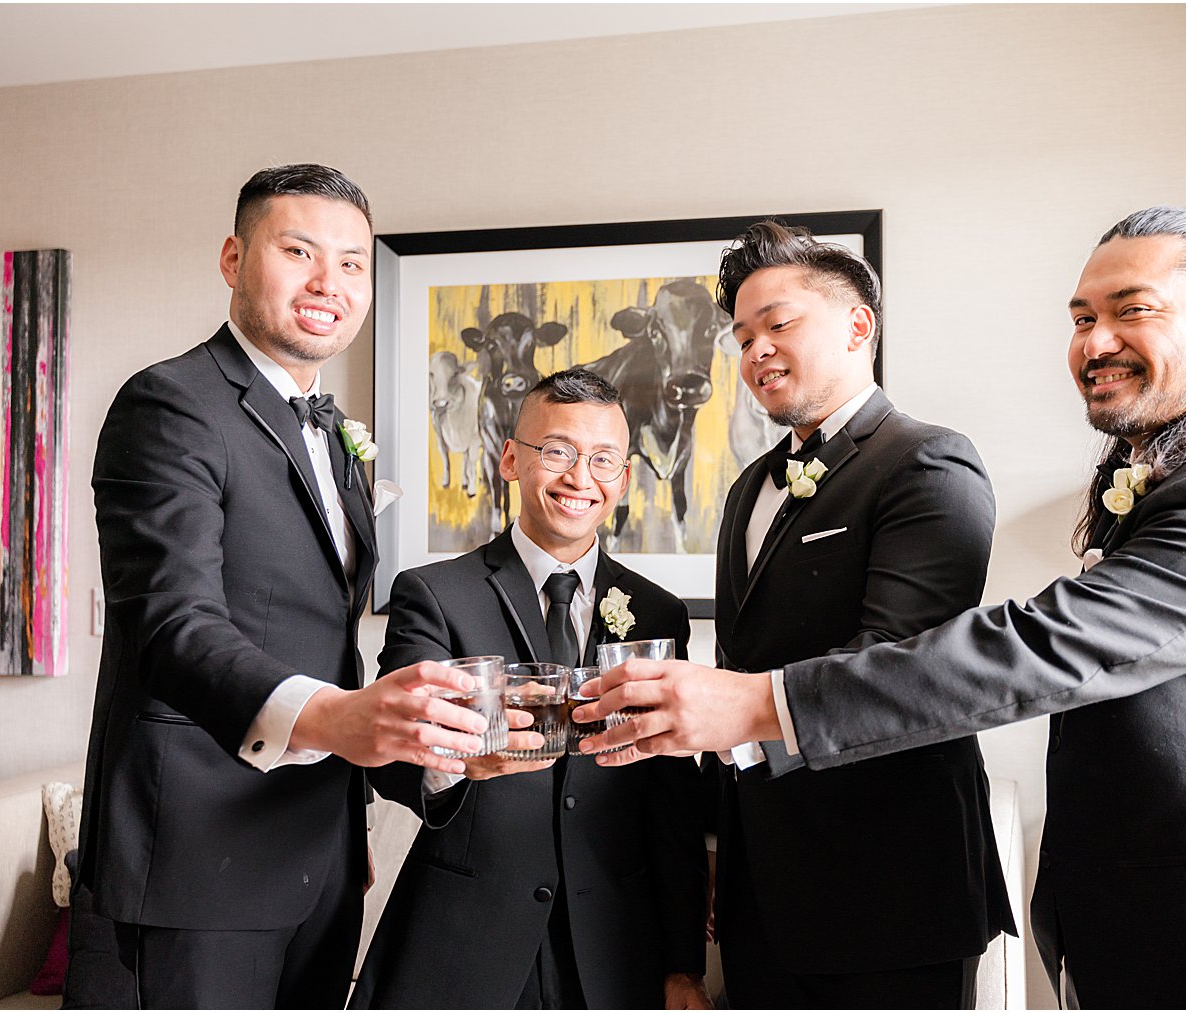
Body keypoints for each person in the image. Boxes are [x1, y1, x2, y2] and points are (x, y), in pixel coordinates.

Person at [580, 206, 1186, 1008]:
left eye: (1131, 309)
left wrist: (756, 703)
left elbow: (1041, 648)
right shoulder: (1168, 483)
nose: (1095, 341)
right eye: (1082, 318)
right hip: (1134, 929)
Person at [83, 164, 493, 1008]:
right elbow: (171, 625)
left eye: (352, 262)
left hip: (321, 861)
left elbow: (322, 637)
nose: (328, 282)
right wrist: (343, 718)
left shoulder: (335, 434)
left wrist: (428, 754)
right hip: (196, 863)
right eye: (298, 250)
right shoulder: (170, 404)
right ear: (234, 258)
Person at [662, 221, 1015, 1008]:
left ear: (859, 325)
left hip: (892, 890)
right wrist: (719, 840)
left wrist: (737, 728)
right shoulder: (751, 485)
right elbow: (739, 662)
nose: (755, 351)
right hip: (760, 894)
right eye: (742, 336)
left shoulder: (929, 461)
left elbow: (903, 664)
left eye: (779, 324)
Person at [348, 368, 710, 1010]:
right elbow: (395, 763)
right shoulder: (435, 594)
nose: (580, 478)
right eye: (558, 452)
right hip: (465, 940)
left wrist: (682, 965)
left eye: (602, 459)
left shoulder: (658, 614)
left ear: (623, 479)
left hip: (614, 947)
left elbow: (671, 805)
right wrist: (455, 762)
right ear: (511, 458)